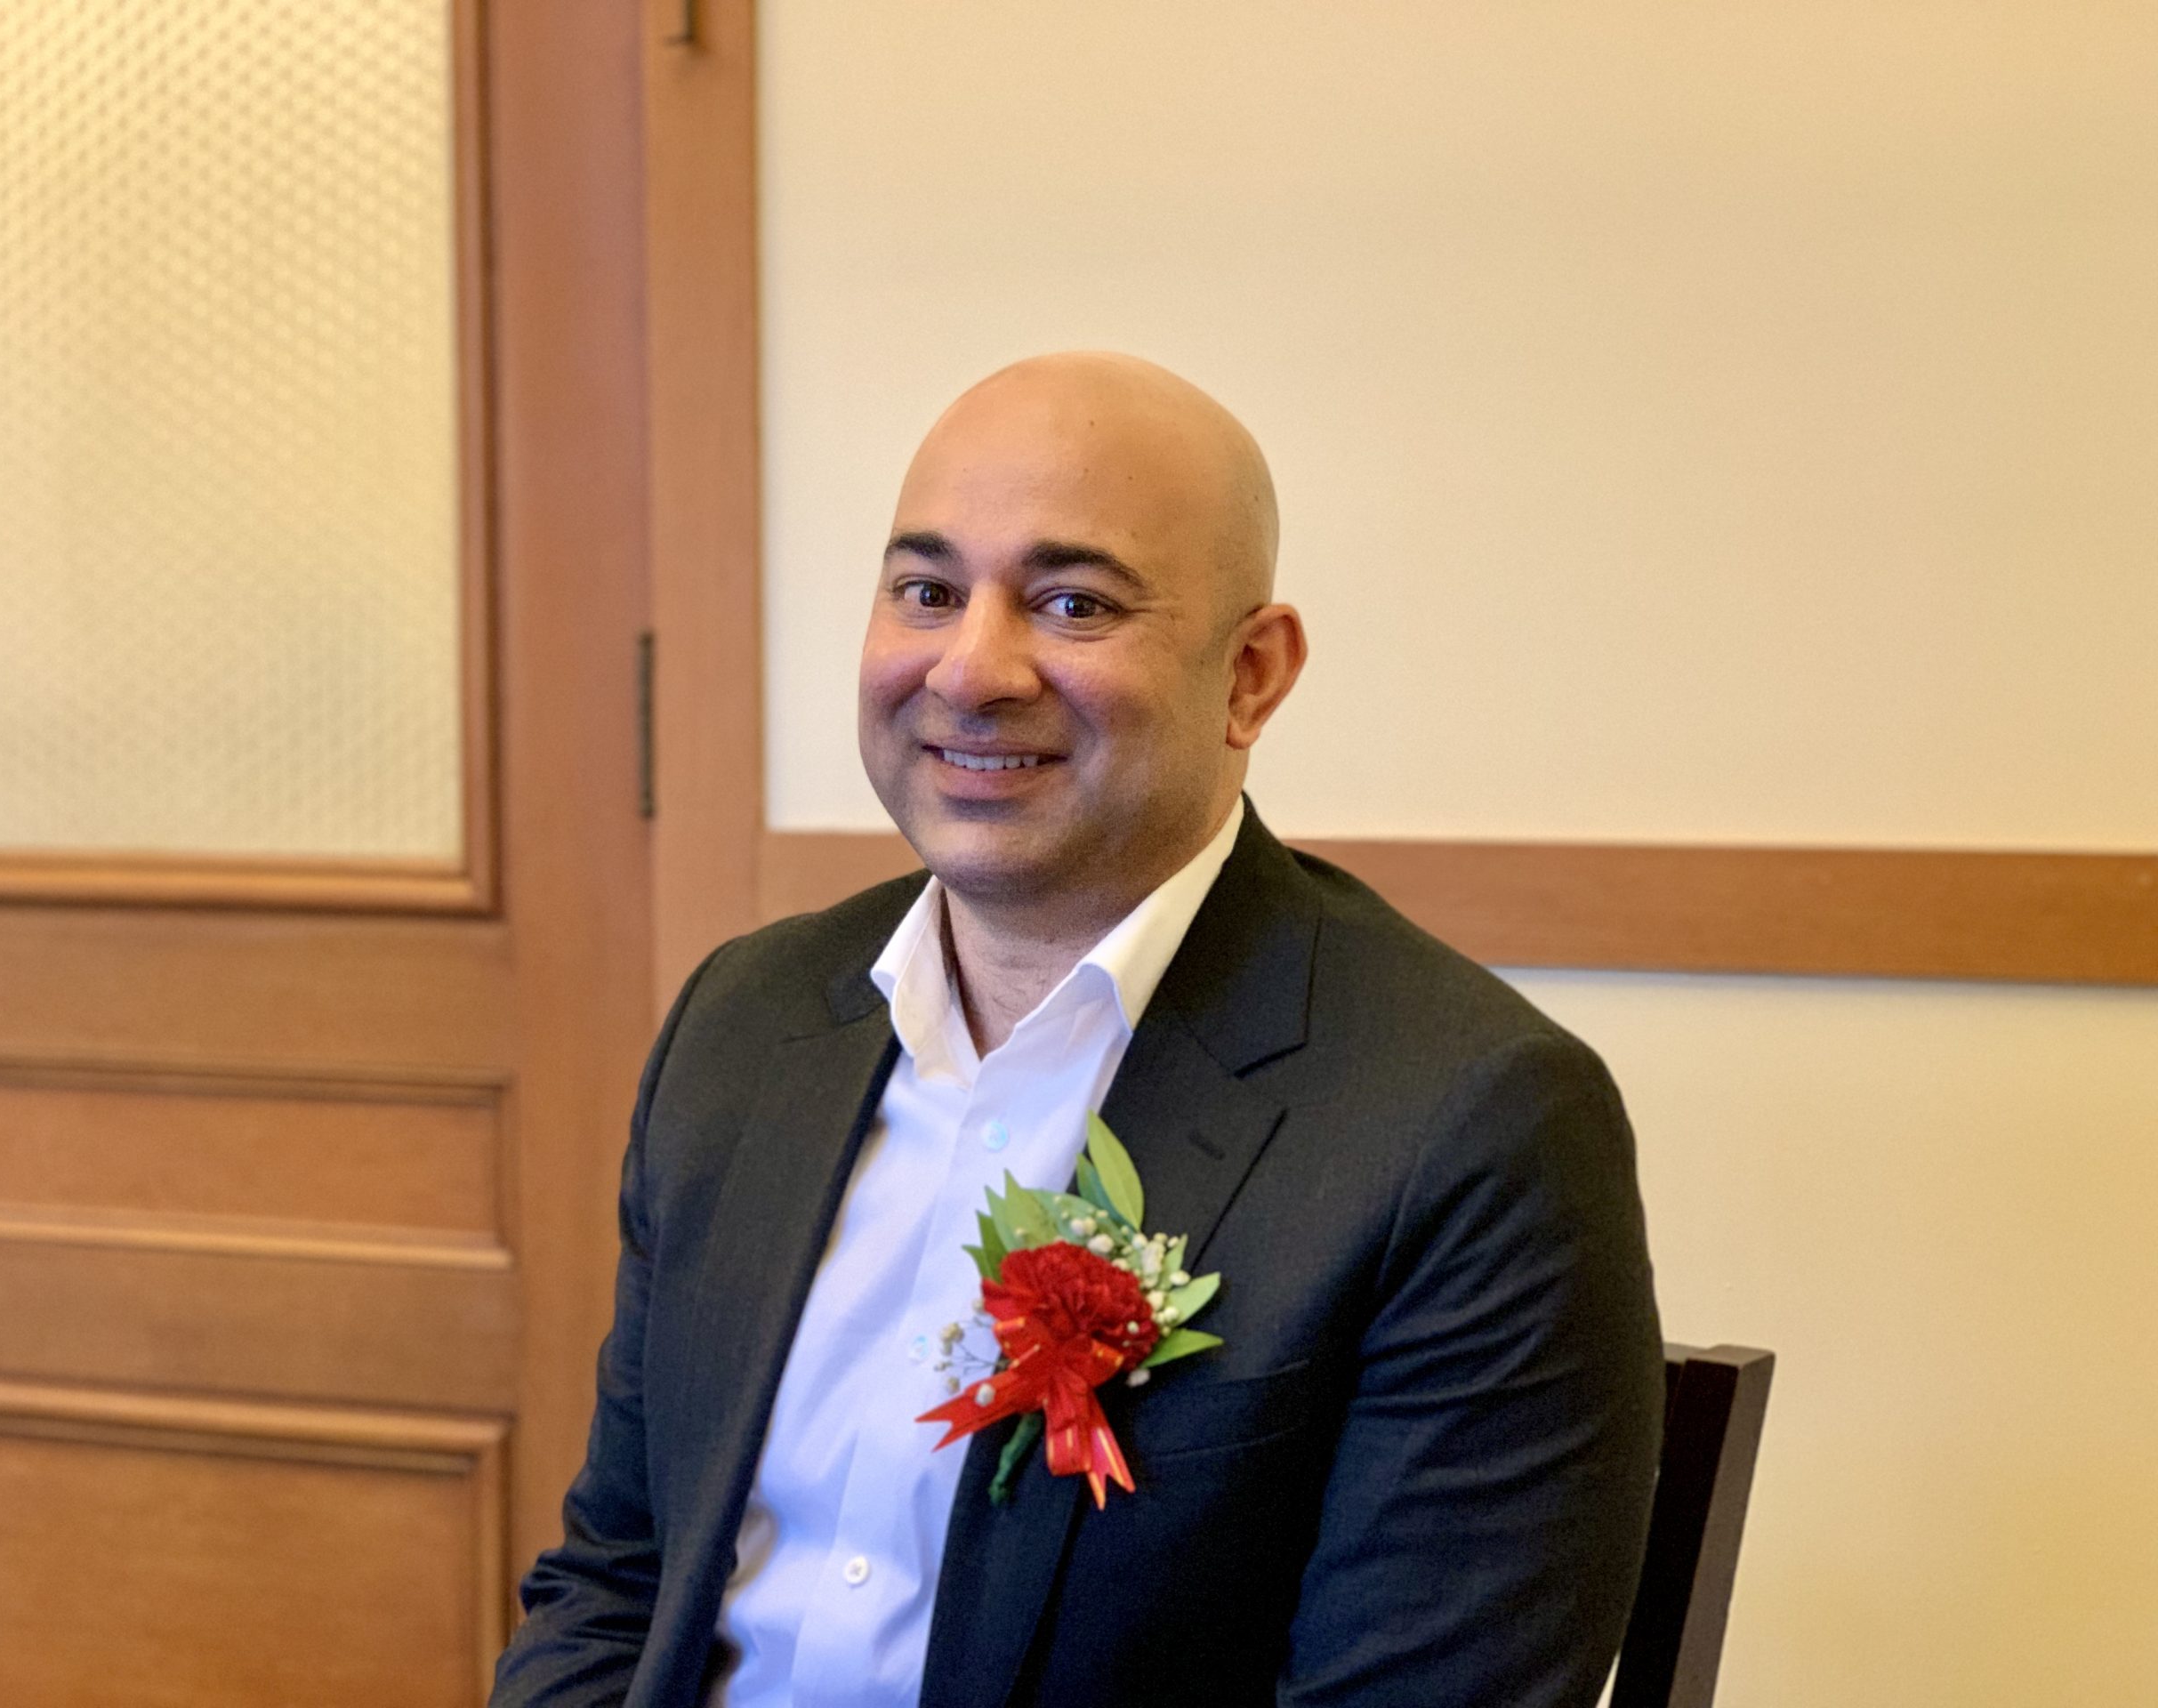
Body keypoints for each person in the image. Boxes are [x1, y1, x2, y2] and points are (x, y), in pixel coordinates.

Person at [491, 353, 1663, 1708]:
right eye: (927, 592)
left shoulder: (1469, 1128)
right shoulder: (745, 1027)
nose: (973, 670)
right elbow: (616, 1584)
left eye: (1072, 603)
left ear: (1252, 675)